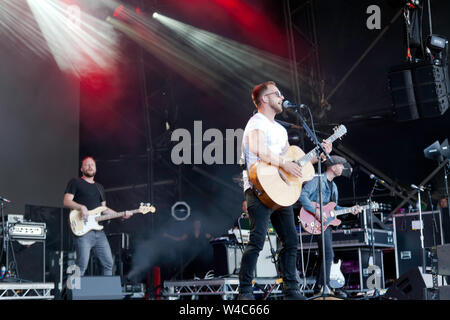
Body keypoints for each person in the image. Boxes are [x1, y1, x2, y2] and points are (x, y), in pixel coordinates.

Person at [238, 81, 331, 300]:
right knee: (257, 239)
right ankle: (245, 290)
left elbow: (292, 163)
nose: (281, 97)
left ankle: (291, 288)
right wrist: (284, 163)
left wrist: (316, 156)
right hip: (259, 189)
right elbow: (259, 149)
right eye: (277, 94)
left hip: (280, 191)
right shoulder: (256, 122)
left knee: (290, 240)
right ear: (265, 99)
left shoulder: (280, 129)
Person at [299, 155, 361, 297]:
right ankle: (323, 287)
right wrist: (317, 211)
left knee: (326, 255)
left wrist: (351, 210)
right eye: (341, 165)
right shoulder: (316, 180)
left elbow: (334, 208)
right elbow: (302, 196)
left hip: (326, 224)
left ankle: (319, 288)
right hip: (314, 219)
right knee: (328, 254)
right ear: (333, 167)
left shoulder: (334, 187)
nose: (343, 168)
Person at [63, 156, 132, 276]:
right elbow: (66, 201)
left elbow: (104, 209)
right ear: (81, 168)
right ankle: (72, 293)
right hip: (83, 231)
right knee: (81, 265)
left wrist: (120, 215)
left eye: (92, 165)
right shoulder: (75, 182)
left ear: (95, 169)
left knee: (108, 263)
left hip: (99, 232)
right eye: (87, 165)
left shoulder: (99, 187)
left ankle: (106, 293)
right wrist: (81, 207)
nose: (90, 167)